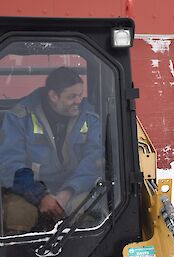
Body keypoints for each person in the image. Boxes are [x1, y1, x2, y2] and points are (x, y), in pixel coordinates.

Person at [0, 66, 104, 234]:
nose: (79, 101)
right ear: (53, 96)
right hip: (28, 191)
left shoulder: (89, 117)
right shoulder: (20, 117)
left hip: (72, 189)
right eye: (72, 96)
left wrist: (67, 192)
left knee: (95, 208)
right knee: (17, 212)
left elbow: (94, 159)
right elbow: (9, 165)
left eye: (80, 94)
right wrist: (41, 196)